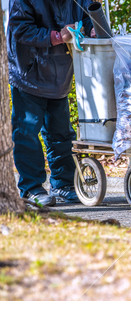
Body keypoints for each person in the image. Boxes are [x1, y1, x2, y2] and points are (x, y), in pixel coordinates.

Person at [7, 0, 95, 206]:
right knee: (26, 133)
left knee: (61, 133)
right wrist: (57, 36)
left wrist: (92, 31)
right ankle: (31, 188)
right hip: (28, 73)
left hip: (60, 73)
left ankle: (63, 184)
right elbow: (20, 29)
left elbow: (89, 18)